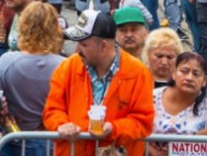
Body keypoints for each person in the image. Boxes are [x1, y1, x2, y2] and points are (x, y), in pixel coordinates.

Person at [42, 10, 155, 156]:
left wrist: (113, 129)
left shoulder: (138, 73)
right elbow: (52, 110)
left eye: (83, 44)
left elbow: (143, 122)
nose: (78, 49)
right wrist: (61, 124)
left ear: (103, 46)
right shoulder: (68, 67)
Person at [0, 2, 65, 156]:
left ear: (23, 26)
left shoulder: (7, 61)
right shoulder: (65, 65)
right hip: (54, 141)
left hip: (17, 140)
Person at [150, 51, 207, 151]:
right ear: (174, 74)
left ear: (204, 80)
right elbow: (137, 131)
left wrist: (191, 139)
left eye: (196, 74)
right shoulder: (153, 96)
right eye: (184, 71)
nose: (189, 78)